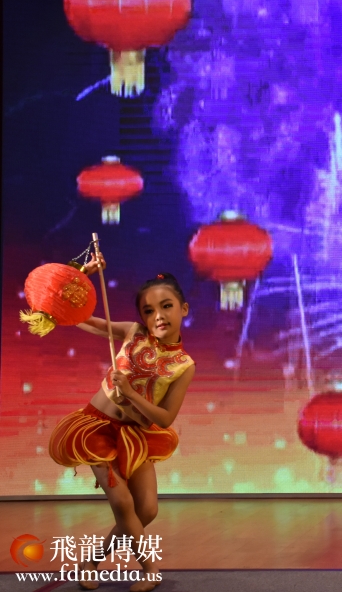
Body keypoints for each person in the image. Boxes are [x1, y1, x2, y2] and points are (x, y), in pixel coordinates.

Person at [48, 254, 195, 592]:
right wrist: (84, 274)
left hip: (137, 435)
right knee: (123, 503)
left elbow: (165, 418)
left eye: (167, 306)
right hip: (96, 429)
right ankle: (150, 569)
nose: (158, 316)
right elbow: (80, 318)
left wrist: (129, 393)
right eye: (148, 310)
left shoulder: (184, 365)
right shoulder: (132, 332)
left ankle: (90, 561)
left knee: (147, 510)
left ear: (183, 309)